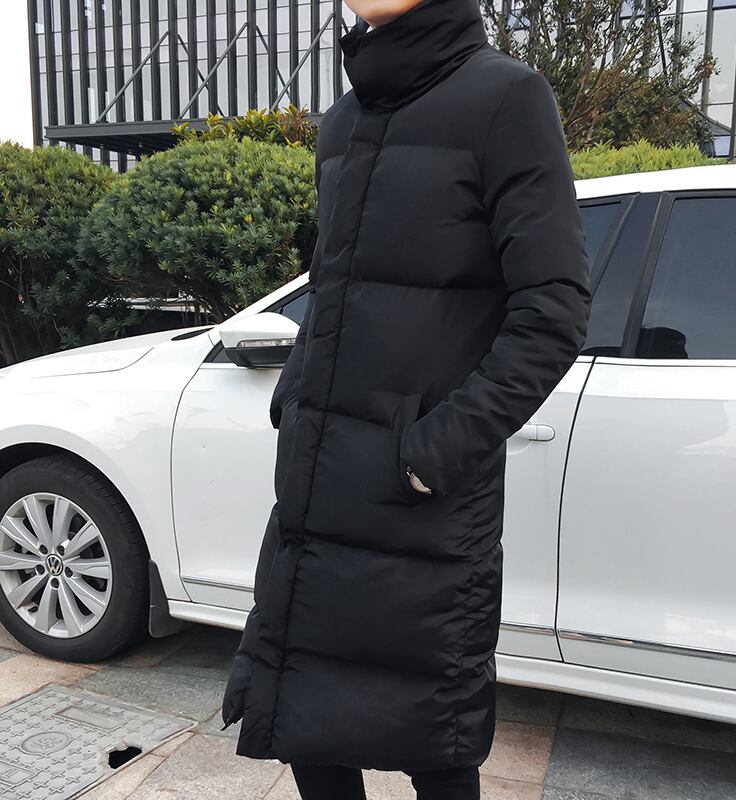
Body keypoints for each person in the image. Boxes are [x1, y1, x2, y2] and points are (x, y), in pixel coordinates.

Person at [222, 0, 592, 796]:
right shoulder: (343, 120)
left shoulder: (506, 97)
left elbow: (553, 312)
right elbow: (333, 286)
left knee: (435, 740)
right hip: (321, 489)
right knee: (307, 724)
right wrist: (296, 396)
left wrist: (433, 452)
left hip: (421, 501)